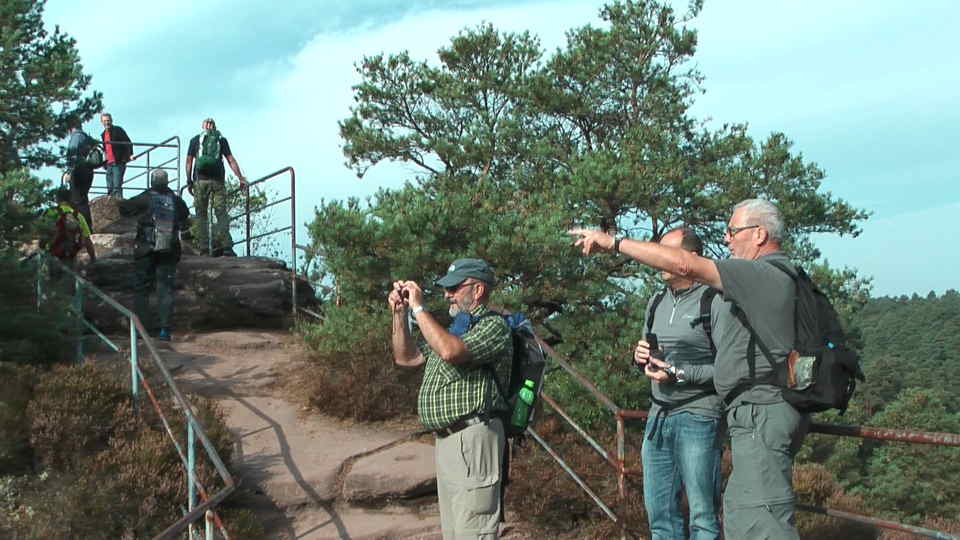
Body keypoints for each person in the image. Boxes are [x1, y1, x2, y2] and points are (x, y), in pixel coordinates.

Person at [569, 198, 810, 540]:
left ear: (758, 234)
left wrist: (614, 242)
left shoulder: (752, 279)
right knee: (734, 517)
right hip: (700, 415)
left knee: (746, 521)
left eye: (732, 231)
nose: (727, 240)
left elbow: (687, 266)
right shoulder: (658, 300)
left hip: (731, 414)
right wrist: (645, 360)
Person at [388, 258, 513, 539]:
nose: (447, 295)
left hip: (475, 439)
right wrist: (399, 313)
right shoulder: (455, 329)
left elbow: (450, 352)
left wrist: (419, 308)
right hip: (449, 442)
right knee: (456, 533)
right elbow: (406, 357)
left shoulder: (494, 326)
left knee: (474, 532)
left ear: (478, 290)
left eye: (454, 288)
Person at [633, 227, 724, 540]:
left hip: (699, 416)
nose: (659, 259)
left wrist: (680, 373)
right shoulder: (656, 300)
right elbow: (650, 351)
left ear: (691, 258)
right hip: (658, 416)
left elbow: (729, 368)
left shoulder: (714, 301)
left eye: (667, 252)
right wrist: (640, 356)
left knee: (703, 517)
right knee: (659, 517)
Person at [119, 170, 189, 341]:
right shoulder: (176, 201)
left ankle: (142, 330)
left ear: (152, 181)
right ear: (166, 182)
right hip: (169, 249)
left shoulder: (144, 198)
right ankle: (165, 330)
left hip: (145, 248)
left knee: (141, 289)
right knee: (165, 288)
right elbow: (185, 214)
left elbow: (124, 208)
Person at [185, 118, 247, 256]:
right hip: (218, 181)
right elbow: (231, 159)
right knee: (221, 212)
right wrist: (240, 178)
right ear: (214, 127)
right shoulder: (221, 140)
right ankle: (227, 247)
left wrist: (189, 181)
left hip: (200, 181)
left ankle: (204, 248)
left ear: (203, 127)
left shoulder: (195, 140)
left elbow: (189, 161)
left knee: (201, 215)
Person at [64, 125, 101, 230]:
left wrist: (69, 171)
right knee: (82, 199)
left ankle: (83, 227)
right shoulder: (86, 138)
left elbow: (73, 154)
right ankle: (87, 226)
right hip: (88, 170)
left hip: (78, 170)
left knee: (77, 199)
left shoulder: (76, 136)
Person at [100, 113, 133, 199]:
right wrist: (104, 162)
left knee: (117, 185)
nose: (106, 123)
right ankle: (111, 204)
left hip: (118, 162)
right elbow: (105, 149)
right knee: (110, 186)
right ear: (102, 122)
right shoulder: (103, 134)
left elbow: (127, 142)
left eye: (108, 120)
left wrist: (130, 155)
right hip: (109, 163)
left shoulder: (118, 130)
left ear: (111, 121)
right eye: (104, 121)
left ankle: (118, 204)